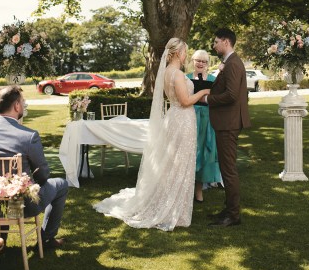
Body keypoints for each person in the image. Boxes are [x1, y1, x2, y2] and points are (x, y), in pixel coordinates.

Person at [94, 37, 211, 231]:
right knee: (180, 163)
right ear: (175, 53)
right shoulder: (178, 75)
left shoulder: (165, 73)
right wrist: (204, 91)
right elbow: (185, 101)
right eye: (184, 52)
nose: (186, 55)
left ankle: (173, 203)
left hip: (174, 118)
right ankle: (174, 209)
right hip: (182, 120)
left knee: (173, 163)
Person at [0, 85, 68, 252]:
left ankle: (2, 239)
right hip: (20, 205)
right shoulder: (28, 136)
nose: (23, 105)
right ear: (16, 106)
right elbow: (44, 175)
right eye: (23, 102)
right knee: (60, 184)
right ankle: (46, 239)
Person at [204, 28, 251, 227]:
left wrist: (208, 99)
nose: (214, 46)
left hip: (228, 123)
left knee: (228, 170)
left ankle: (233, 215)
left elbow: (231, 95)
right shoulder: (231, 62)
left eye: (216, 42)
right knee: (226, 168)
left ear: (225, 42)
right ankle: (228, 209)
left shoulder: (232, 64)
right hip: (228, 122)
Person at [186, 50, 221, 203]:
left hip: (207, 119)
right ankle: (184, 190)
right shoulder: (185, 78)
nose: (200, 63)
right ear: (193, 61)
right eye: (197, 60)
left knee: (204, 153)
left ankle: (199, 190)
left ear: (208, 64)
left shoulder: (214, 79)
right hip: (190, 117)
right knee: (189, 152)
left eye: (204, 61)